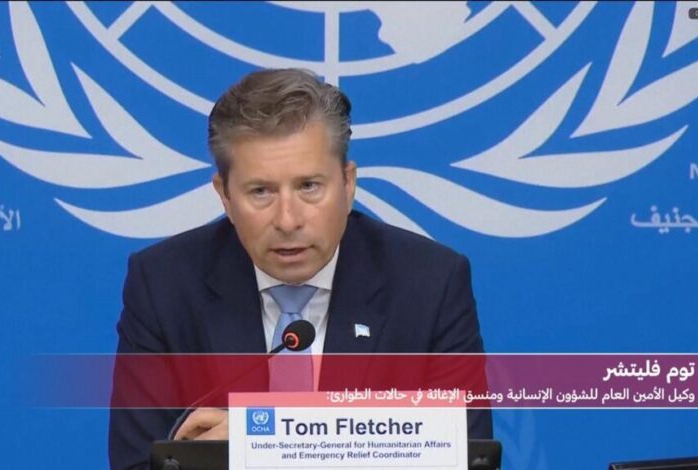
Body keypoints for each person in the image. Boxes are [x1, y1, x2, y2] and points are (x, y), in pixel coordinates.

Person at [109, 68, 491, 469]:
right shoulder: (164, 286)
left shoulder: (429, 285)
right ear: (224, 195)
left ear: (348, 184)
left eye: (309, 186)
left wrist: (260, 439)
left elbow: (463, 458)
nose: (288, 220)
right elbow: (139, 464)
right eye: (261, 191)